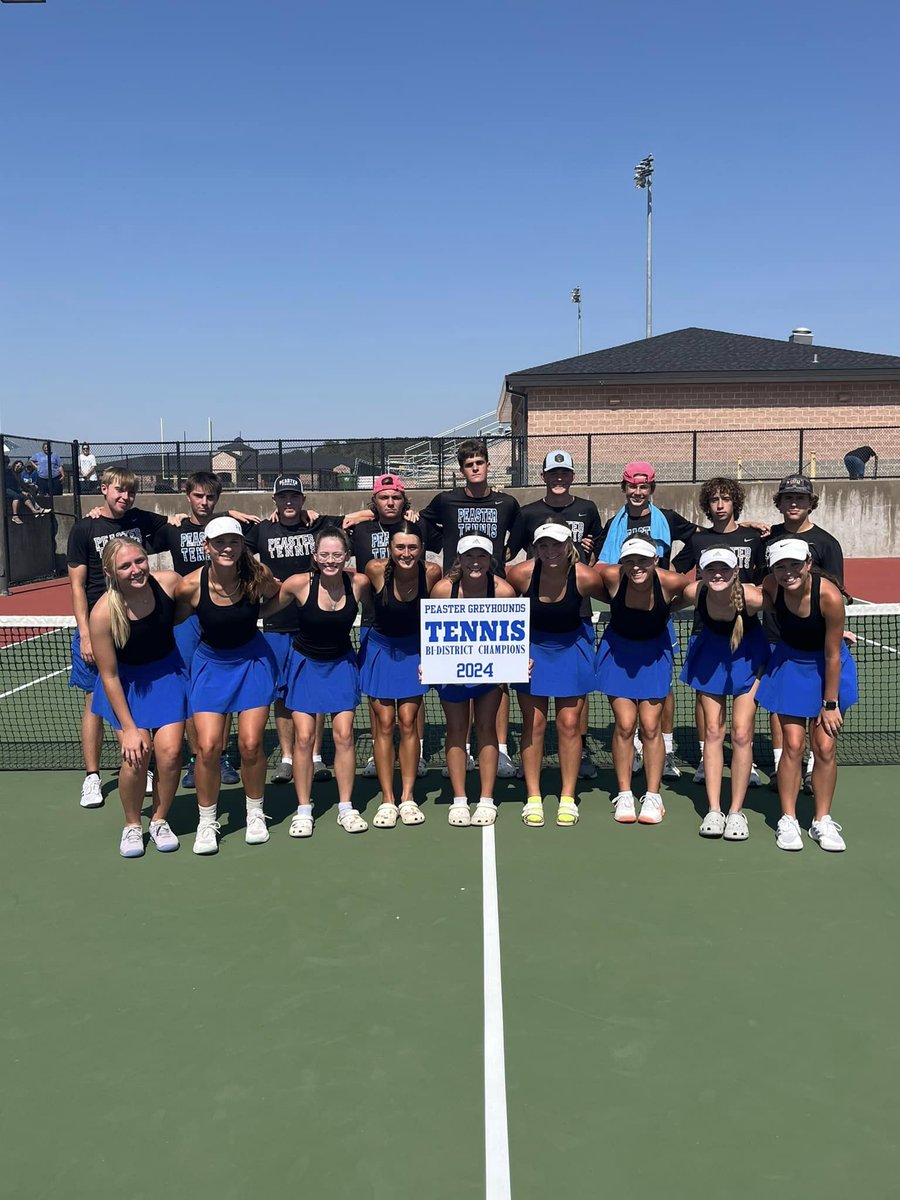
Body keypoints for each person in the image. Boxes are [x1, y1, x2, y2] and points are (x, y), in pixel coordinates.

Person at [67, 467, 172, 809]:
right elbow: (78, 586)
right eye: (119, 491)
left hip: (138, 620)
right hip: (100, 625)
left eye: (130, 492)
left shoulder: (140, 520)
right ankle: (93, 776)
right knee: (95, 704)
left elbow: (175, 521)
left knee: (137, 699)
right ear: (104, 489)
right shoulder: (85, 527)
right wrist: (85, 633)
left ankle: (141, 763)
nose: (124, 497)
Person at [175, 517, 281, 855]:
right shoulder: (190, 586)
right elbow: (170, 618)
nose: (227, 548)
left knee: (251, 745)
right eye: (219, 542)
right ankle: (206, 821)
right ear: (206, 546)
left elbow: (275, 596)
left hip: (253, 663)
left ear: (241, 546)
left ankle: (254, 813)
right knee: (207, 748)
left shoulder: (257, 576)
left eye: (233, 542)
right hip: (210, 666)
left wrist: (260, 616)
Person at [420, 439, 525, 779]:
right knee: (457, 672)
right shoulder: (446, 500)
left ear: (488, 465)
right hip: (458, 593)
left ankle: (502, 750)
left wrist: (504, 556)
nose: (475, 468)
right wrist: (447, 546)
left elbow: (520, 534)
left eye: (480, 462)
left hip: (491, 595)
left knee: (497, 679)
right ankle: (462, 749)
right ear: (461, 469)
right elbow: (423, 524)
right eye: (469, 464)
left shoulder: (506, 502)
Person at [152, 471, 256, 788]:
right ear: (188, 496)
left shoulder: (229, 528)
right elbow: (134, 539)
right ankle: (197, 758)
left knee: (222, 688)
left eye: (210, 497)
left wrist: (233, 514)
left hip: (221, 615)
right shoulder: (172, 528)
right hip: (188, 617)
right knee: (190, 689)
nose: (204, 502)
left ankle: (220, 755)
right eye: (198, 496)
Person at [88, 539, 190, 857]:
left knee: (171, 754)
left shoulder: (169, 583)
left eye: (140, 561)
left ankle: (159, 820)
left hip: (167, 676)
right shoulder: (103, 613)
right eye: (126, 566)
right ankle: (132, 825)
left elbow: (195, 600)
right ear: (110, 572)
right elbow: (110, 675)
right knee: (135, 757)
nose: (136, 570)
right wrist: (130, 728)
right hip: (126, 685)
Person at [757, 538, 857, 853]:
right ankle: (787, 818)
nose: (788, 573)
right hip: (790, 664)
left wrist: (829, 705)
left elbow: (831, 655)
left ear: (808, 564)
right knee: (794, 745)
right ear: (773, 568)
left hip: (826, 667)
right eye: (781, 566)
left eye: (795, 565)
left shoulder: (828, 596)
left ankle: (822, 820)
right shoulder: (771, 585)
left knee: (824, 746)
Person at [244, 474, 344, 785]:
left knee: (314, 692)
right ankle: (287, 757)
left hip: (311, 625)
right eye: (283, 497)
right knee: (283, 695)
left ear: (303, 500)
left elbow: (359, 516)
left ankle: (315, 756)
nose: (289, 502)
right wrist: (264, 575)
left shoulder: (317, 525)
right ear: (274, 500)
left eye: (295, 497)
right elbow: (239, 554)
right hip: (276, 625)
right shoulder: (262, 529)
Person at [507, 522, 607, 828]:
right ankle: (533, 797)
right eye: (544, 546)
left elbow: (623, 598)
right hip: (532, 653)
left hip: (572, 650)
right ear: (536, 548)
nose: (551, 551)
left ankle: (567, 796)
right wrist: (513, 653)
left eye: (557, 545)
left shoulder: (586, 577)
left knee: (568, 726)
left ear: (569, 547)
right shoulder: (520, 574)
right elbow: (500, 610)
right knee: (534, 725)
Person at [274, 528, 371, 836]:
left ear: (347, 557)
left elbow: (383, 609)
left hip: (341, 664)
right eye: (325, 555)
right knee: (303, 739)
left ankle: (346, 807)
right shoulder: (299, 584)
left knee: (344, 736)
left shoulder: (359, 584)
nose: (331, 560)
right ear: (315, 557)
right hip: (305, 665)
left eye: (337, 555)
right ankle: (303, 809)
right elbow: (264, 608)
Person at [672, 476, 766, 786]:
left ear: (735, 503)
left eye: (726, 499)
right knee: (708, 706)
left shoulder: (754, 539)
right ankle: (704, 757)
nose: (720, 504)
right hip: (705, 632)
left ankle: (745, 762)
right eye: (714, 500)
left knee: (743, 708)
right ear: (708, 505)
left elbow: (766, 583)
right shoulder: (699, 541)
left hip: (745, 631)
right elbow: (675, 574)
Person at [756, 474, 845, 792]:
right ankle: (784, 767)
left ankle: (811, 770)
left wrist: (837, 632)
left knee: (819, 731)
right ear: (778, 503)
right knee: (782, 707)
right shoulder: (767, 539)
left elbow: (835, 594)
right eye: (788, 498)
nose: (794, 503)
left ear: (811, 503)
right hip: (775, 637)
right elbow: (759, 584)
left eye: (801, 498)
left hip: (815, 643)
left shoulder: (826, 544)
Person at [519, 448, 604, 780]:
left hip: (576, 617)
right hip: (537, 628)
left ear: (571, 476)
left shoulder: (587, 509)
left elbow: (596, 560)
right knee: (536, 721)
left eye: (564, 473)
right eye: (553, 473)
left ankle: (579, 751)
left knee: (572, 715)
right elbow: (510, 560)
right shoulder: (527, 514)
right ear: (543, 476)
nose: (559, 478)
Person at [594, 536, 689, 825]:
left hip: (654, 653)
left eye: (643, 560)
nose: (636, 566)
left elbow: (697, 593)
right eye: (630, 560)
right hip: (617, 651)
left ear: (655, 561)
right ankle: (624, 793)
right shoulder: (611, 576)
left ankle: (653, 795)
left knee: (650, 727)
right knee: (624, 725)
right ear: (621, 562)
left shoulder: (672, 582)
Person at [675, 547, 768, 840]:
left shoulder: (752, 598)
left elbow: (792, 612)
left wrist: (830, 632)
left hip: (749, 657)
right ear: (701, 572)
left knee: (741, 734)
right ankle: (714, 810)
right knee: (713, 732)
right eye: (711, 569)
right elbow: (660, 605)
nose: (718, 575)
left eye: (724, 569)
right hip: (711, 656)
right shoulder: (696, 592)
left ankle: (736, 813)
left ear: (736, 572)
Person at [430, 535, 517, 827]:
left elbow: (514, 633)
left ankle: (487, 800)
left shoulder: (503, 592)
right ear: (460, 559)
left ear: (490, 560)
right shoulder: (443, 590)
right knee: (455, 729)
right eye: (469, 556)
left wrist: (521, 657)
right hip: (451, 672)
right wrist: (426, 662)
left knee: (486, 727)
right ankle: (458, 800)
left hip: (490, 672)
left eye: (481, 557)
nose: (475, 562)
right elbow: (431, 633)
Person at [345, 474, 428, 779]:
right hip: (375, 622)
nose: (390, 502)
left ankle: (415, 750)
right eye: (384, 497)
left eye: (396, 497)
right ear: (375, 501)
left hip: (412, 627)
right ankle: (377, 754)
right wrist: (359, 515)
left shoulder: (419, 526)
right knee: (379, 705)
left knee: (411, 707)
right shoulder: (361, 528)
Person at [359, 524, 441, 827]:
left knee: (408, 722)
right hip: (380, 650)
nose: (406, 553)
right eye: (400, 548)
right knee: (383, 724)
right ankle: (387, 799)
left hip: (414, 652)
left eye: (412, 548)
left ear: (421, 550)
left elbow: (441, 612)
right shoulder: (375, 570)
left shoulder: (432, 573)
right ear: (389, 550)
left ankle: (407, 797)